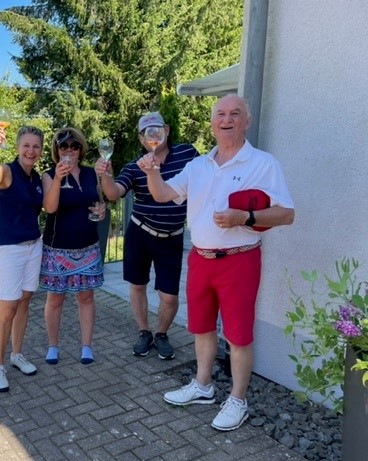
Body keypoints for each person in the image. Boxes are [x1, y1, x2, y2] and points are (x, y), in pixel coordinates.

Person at [139, 94, 295, 431]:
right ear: (211, 123)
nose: (227, 119)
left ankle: (238, 400)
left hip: (240, 260)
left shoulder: (263, 163)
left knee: (238, 335)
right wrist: (152, 172)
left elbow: (287, 213)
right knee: (202, 327)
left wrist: (245, 216)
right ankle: (203, 385)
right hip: (200, 259)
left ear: (246, 121)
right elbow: (163, 194)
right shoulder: (198, 165)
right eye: (221, 114)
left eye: (235, 114)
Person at [95, 112, 199, 360]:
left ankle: (161, 334)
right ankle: (144, 332)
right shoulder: (135, 166)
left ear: (167, 130)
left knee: (169, 296)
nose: (152, 136)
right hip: (140, 234)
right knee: (138, 285)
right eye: (146, 133)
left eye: (156, 130)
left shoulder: (188, 154)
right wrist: (105, 175)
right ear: (141, 139)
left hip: (172, 237)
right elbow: (114, 193)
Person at [0, 125, 45, 393]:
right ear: (17, 147)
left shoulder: (36, 178)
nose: (31, 151)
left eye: (36, 146)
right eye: (26, 145)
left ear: (41, 150)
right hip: (7, 249)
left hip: (33, 246)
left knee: (25, 300)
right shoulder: (5, 171)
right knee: (7, 308)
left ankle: (17, 355)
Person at [40, 127, 105, 365]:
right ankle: (53, 346)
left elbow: (98, 201)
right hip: (58, 249)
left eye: (74, 146)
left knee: (86, 297)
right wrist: (58, 178)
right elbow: (50, 208)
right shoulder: (49, 175)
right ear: (57, 150)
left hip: (87, 246)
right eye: (64, 146)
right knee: (56, 299)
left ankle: (86, 346)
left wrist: (102, 209)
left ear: (81, 149)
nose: (69, 151)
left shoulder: (90, 174)